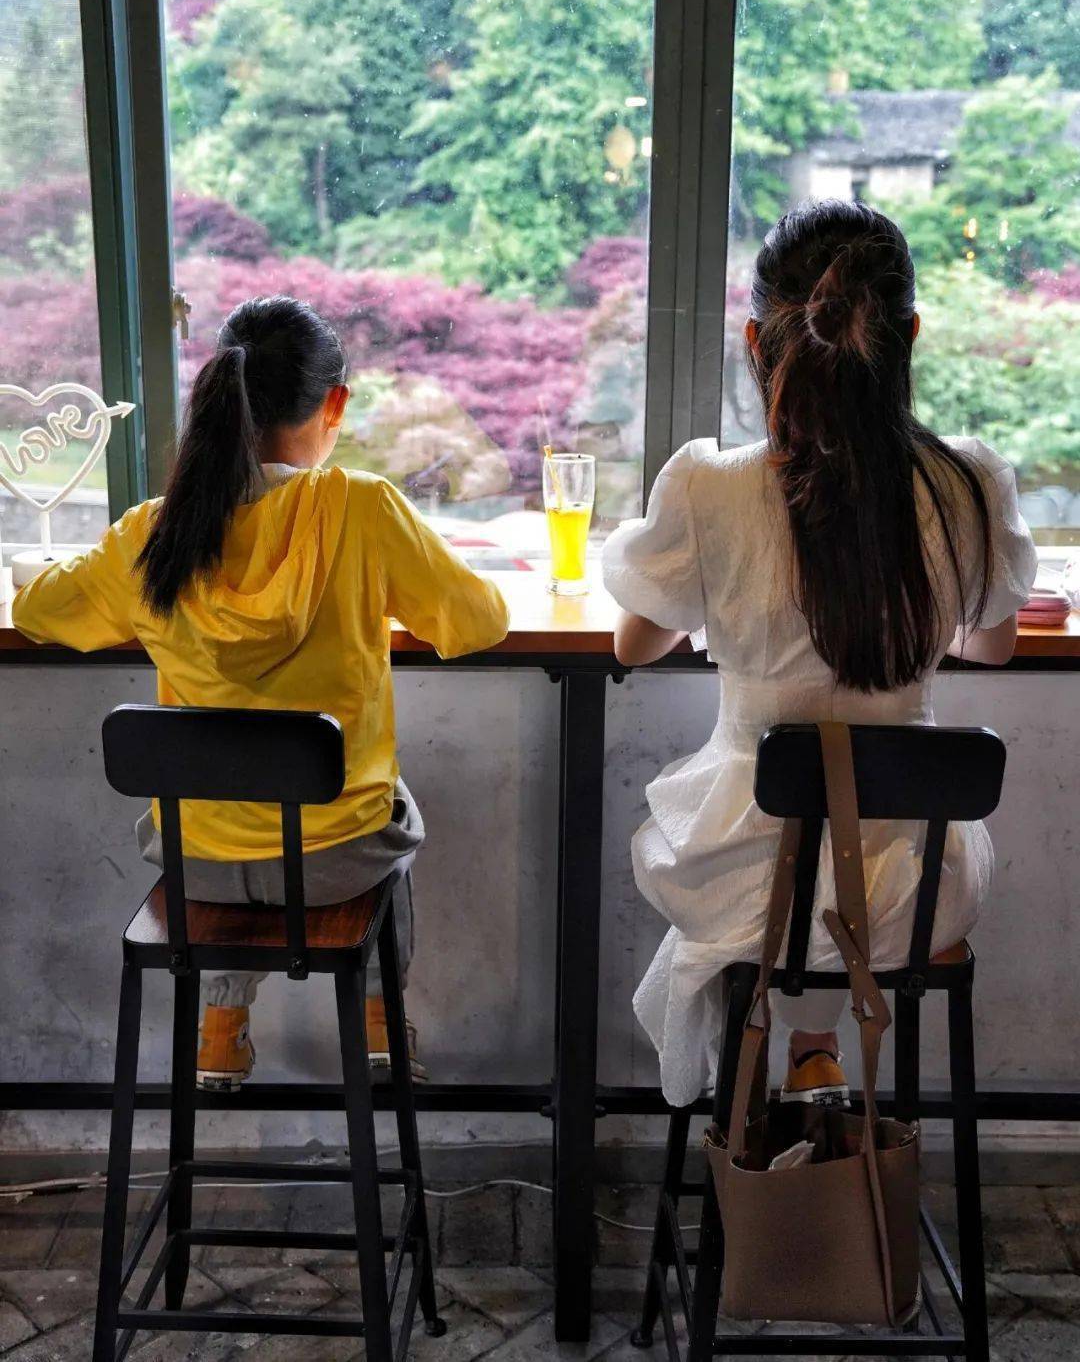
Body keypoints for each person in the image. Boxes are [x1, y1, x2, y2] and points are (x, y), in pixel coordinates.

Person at [602, 200, 1038, 1108]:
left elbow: (633, 643)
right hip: (911, 892)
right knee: (839, 888)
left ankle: (773, 1070)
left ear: (755, 343)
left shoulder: (710, 485)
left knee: (765, 889)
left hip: (747, 872)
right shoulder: (967, 482)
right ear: (908, 335)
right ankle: (813, 1050)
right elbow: (994, 645)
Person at [13, 296, 509, 1091]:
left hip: (198, 863)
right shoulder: (362, 508)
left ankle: (219, 1030)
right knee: (391, 808)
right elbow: (480, 620)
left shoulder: (153, 534)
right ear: (334, 403)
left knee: (239, 805)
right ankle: (380, 1021)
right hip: (337, 862)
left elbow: (40, 611)